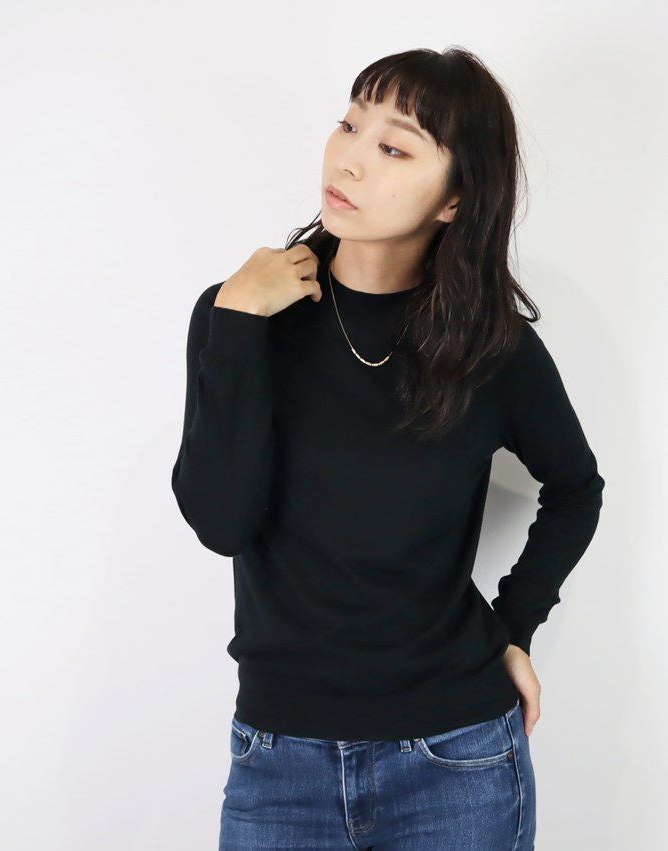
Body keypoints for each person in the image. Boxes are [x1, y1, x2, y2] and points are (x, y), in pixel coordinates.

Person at [171, 47, 605, 850]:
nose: (348, 159)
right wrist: (235, 324)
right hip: (278, 762)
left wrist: (515, 624)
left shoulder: (491, 348)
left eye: (394, 148)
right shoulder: (240, 315)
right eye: (348, 124)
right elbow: (220, 521)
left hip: (457, 758)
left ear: (454, 200)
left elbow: (575, 486)